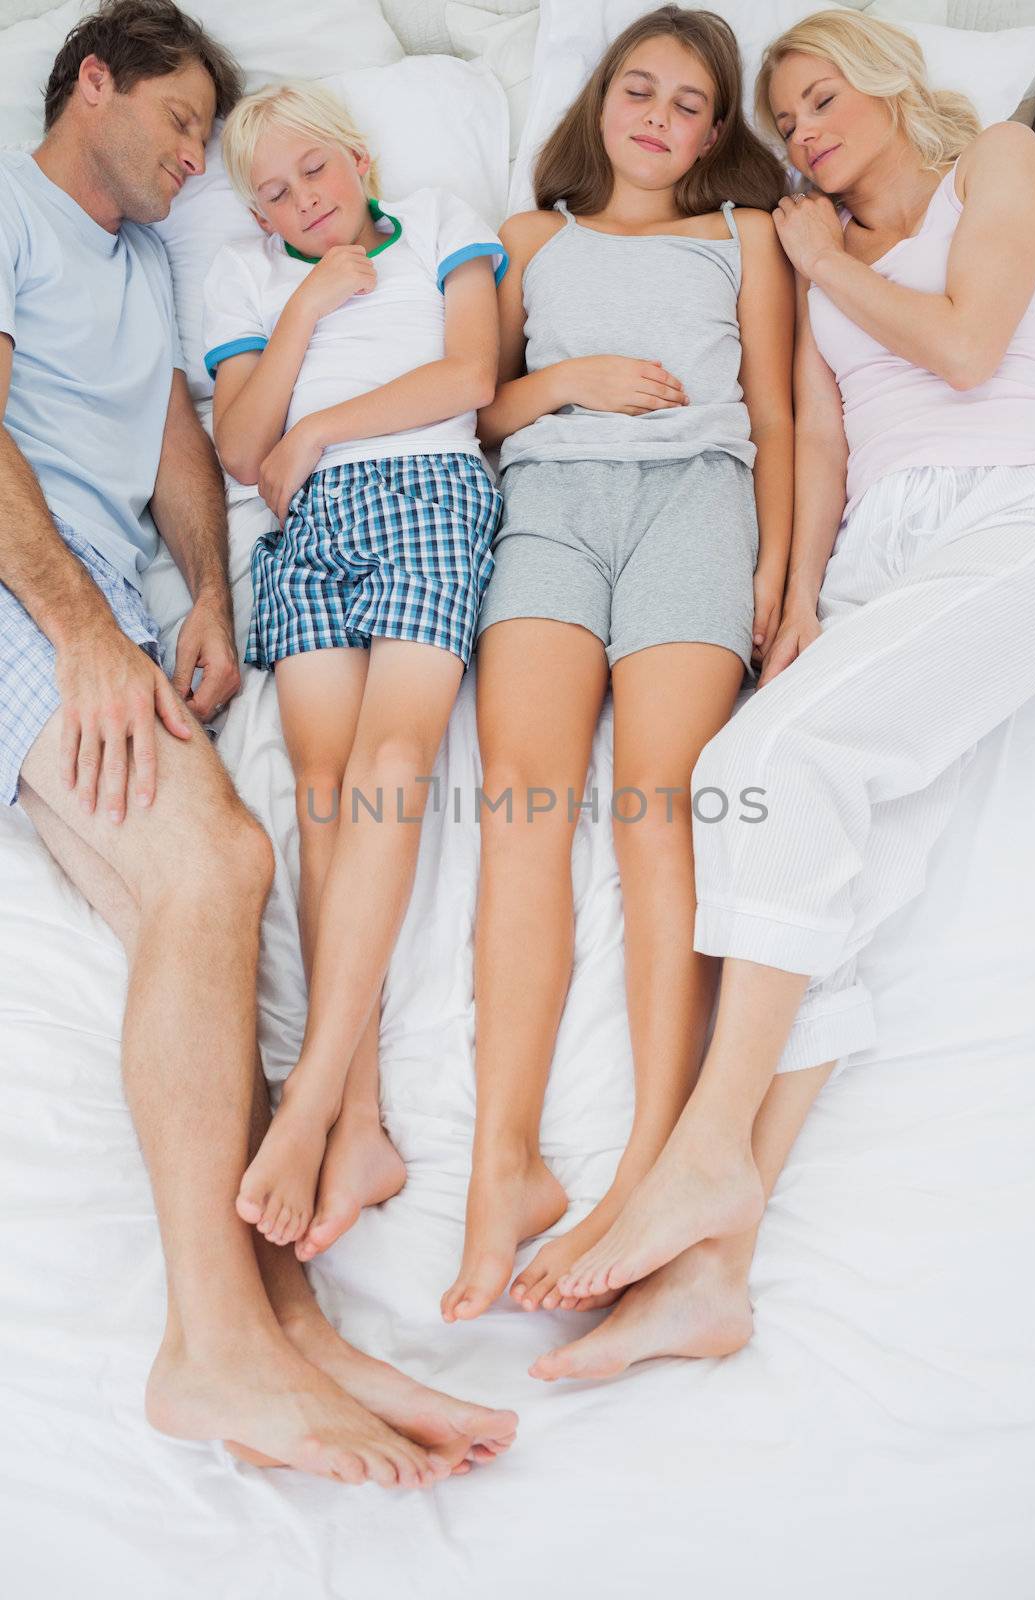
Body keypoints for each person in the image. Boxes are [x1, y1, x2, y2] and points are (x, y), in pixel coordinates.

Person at [0, 0, 517, 1477]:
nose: (192, 162)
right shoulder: (10, 205)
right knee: (222, 864)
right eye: (175, 124)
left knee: (210, 922)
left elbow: (185, 436)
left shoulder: (149, 261)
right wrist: (90, 634)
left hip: (111, 599)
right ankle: (211, 1354)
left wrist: (211, 594)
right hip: (31, 599)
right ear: (90, 77)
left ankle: (292, 1328)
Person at [529, 6, 1035, 1382]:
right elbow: (817, 433)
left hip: (1023, 510)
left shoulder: (992, 163)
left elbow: (961, 349)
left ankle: (700, 1156)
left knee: (741, 776)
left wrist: (824, 254)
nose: (809, 136)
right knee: (824, 860)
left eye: (824, 101)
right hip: (888, 556)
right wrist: (801, 595)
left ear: (888, 87)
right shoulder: (801, 261)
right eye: (790, 124)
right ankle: (711, 1276)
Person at [441, 5, 796, 1325]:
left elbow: (772, 411)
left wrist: (777, 574)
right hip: (546, 502)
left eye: (687, 102)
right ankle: (500, 1172)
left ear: (714, 132)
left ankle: (648, 1165)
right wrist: (568, 377)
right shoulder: (531, 241)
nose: (655, 115)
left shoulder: (741, 237)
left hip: (695, 503)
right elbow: (471, 403)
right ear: (597, 102)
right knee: (519, 805)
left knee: (659, 811)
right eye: (635, 88)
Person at [205, 82, 507, 1262]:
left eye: (315, 173)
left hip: (427, 495)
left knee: (391, 762)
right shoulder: (247, 277)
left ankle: (316, 1094)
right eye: (272, 194)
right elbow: (239, 444)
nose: (299, 202)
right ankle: (363, 1120)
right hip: (304, 528)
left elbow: (470, 379)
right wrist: (306, 310)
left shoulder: (435, 220)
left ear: (363, 163)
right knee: (324, 791)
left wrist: (322, 427)